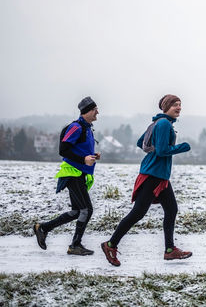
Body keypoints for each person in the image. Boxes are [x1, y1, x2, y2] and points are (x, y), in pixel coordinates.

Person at [101, 94, 191, 266]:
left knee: (171, 209)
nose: (179, 108)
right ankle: (110, 244)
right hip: (153, 175)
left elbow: (140, 142)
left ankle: (170, 250)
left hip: (159, 175)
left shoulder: (157, 123)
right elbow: (163, 151)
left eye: (180, 105)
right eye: (175, 105)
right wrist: (183, 147)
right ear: (166, 107)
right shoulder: (164, 123)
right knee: (138, 213)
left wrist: (154, 147)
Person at [33, 96, 100, 256]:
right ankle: (75, 245)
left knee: (77, 211)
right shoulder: (76, 127)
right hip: (72, 173)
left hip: (79, 173)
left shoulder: (87, 128)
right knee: (87, 209)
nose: (98, 112)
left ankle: (43, 227)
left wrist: (92, 155)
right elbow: (63, 150)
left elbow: (77, 149)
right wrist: (83, 159)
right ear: (87, 111)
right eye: (95, 109)